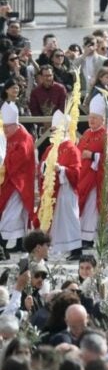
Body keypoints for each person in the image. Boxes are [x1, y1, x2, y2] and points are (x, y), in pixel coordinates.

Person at [36, 110, 82, 261]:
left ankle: (76, 249)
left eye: (56, 130)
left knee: (69, 218)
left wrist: (61, 169)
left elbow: (76, 171)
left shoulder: (71, 148)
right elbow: (42, 164)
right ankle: (48, 250)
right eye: (52, 130)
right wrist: (45, 167)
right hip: (52, 191)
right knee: (52, 220)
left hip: (66, 190)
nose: (53, 133)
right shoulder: (50, 148)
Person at [77, 94, 108, 249]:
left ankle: (87, 238)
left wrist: (92, 156)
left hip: (97, 178)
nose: (91, 120)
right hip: (85, 176)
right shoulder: (86, 133)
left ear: (102, 119)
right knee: (96, 208)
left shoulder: (106, 136)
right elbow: (80, 152)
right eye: (90, 117)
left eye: (95, 118)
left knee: (93, 206)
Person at [0, 102, 35, 257]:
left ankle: (2, 245)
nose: (5, 130)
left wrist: (3, 162)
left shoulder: (24, 138)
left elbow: (17, 160)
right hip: (8, 181)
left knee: (11, 214)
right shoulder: (6, 135)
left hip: (19, 183)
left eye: (7, 127)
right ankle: (19, 244)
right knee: (15, 214)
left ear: (15, 124)